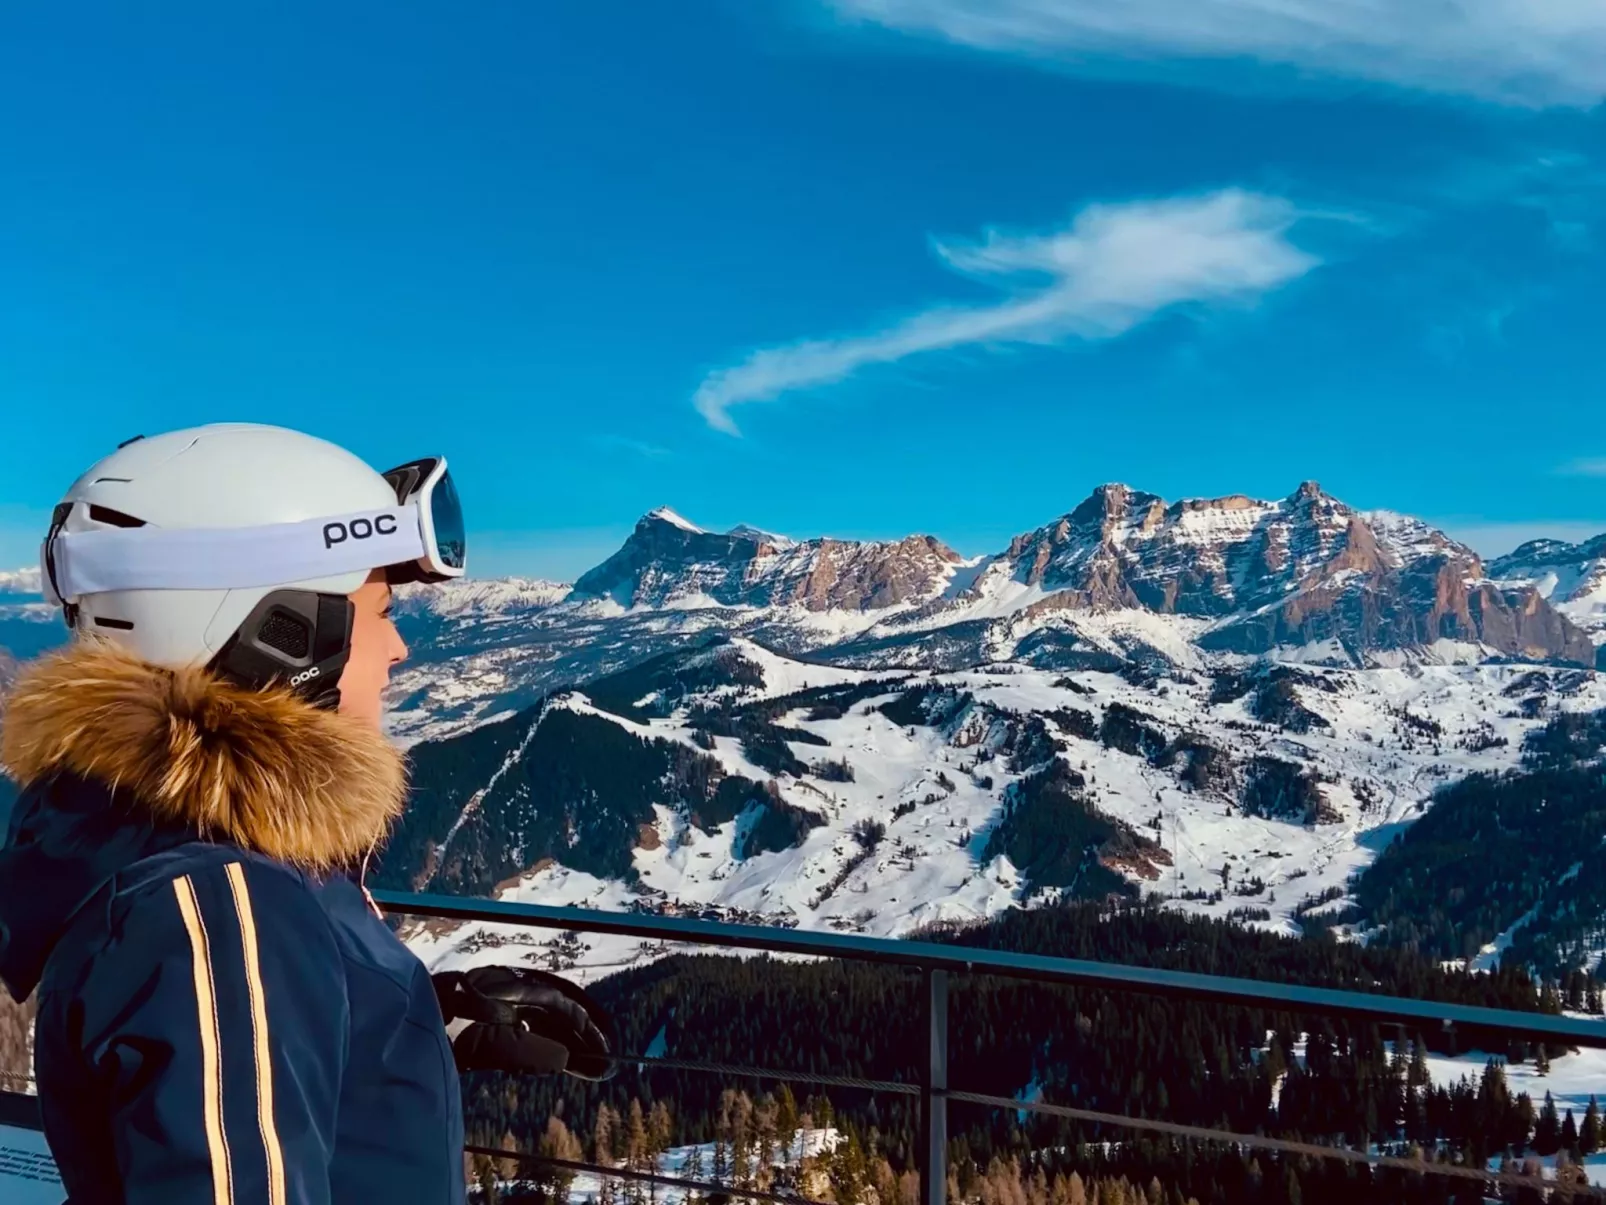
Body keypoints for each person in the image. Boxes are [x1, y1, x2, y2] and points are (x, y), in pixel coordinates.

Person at [0, 423, 471, 1204]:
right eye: (381, 611)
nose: (399, 650)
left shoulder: (183, 856)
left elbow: (235, 1063)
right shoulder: (219, 912)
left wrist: (419, 1026)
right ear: (284, 633)